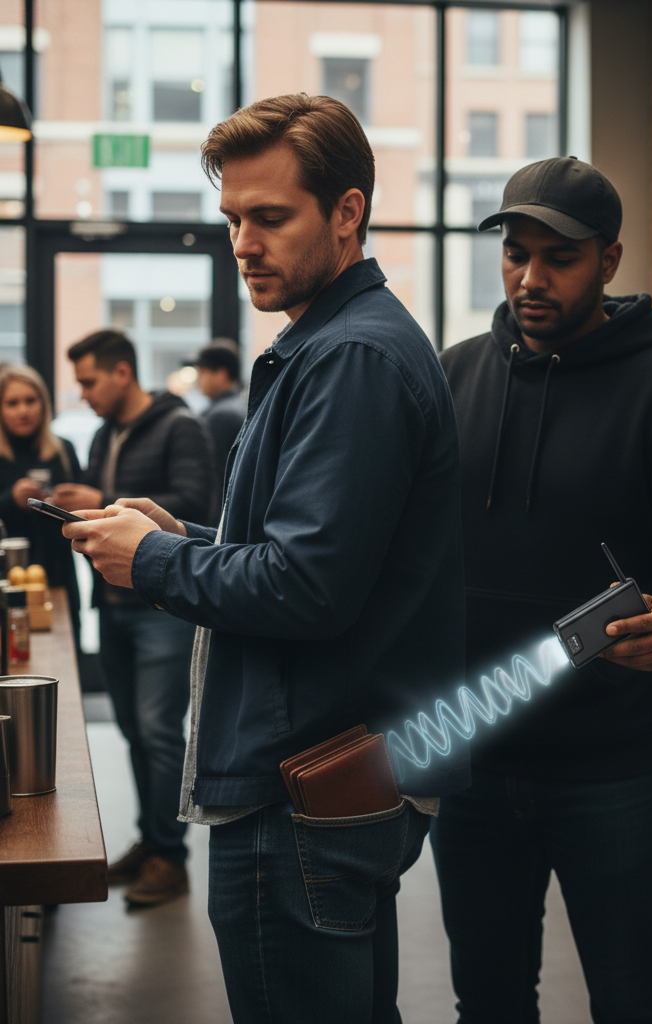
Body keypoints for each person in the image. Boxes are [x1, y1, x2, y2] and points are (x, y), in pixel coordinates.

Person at [62, 93, 467, 1023]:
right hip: (331, 770)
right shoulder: (331, 344)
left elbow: (307, 587)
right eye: (233, 219)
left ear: (347, 212)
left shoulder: (352, 358)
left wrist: (155, 565)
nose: (243, 242)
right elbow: (314, 560)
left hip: (299, 787)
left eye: (271, 218)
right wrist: (184, 541)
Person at [432, 156, 652, 1024]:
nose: (530, 278)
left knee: (629, 995)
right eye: (515, 253)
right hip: (471, 755)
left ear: (610, 260)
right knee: (489, 998)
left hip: (613, 765)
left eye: (560, 258)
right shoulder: (454, 375)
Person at [52, 329, 215, 908]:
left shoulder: (180, 427)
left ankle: (170, 858)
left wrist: (105, 493)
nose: (84, 393)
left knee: (159, 734)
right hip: (115, 606)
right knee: (134, 734)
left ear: (123, 372)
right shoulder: (104, 432)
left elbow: (193, 510)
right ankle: (151, 842)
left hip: (161, 610)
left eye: (89, 380)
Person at [0, 364, 82, 637]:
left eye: (30, 401)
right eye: (12, 403)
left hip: (58, 578)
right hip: (6, 582)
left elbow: (86, 509)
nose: (23, 410)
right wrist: (11, 500)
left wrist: (67, 502)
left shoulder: (63, 450)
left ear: (43, 404)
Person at [187, 342, 247, 501]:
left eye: (202, 372)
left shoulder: (222, 416)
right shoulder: (235, 407)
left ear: (221, 373)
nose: (198, 380)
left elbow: (213, 477)